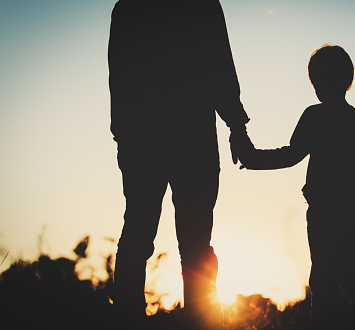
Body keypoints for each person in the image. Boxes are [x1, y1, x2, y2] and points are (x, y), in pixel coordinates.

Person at [108, 0, 249, 328]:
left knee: (138, 234)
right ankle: (202, 323)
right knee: (194, 243)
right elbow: (220, 66)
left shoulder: (128, 8)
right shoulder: (200, 5)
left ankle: (129, 319)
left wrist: (123, 137)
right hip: (191, 135)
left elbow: (119, 74)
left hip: (143, 140)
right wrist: (236, 126)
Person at [231, 44, 355, 329]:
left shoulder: (316, 116)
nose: (316, 86)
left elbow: (290, 155)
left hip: (324, 216)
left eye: (316, 79)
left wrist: (250, 157)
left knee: (324, 285)